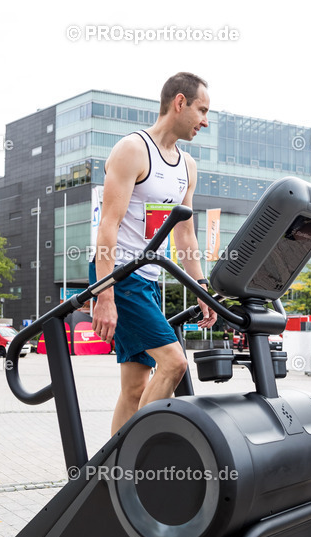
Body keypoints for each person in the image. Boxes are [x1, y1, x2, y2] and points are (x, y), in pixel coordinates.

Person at [91, 72, 217, 434]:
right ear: (180, 102)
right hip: (119, 274)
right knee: (175, 364)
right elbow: (107, 227)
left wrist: (200, 287)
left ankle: (110, 473)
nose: (205, 121)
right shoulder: (133, 149)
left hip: (148, 278)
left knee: (134, 389)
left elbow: (185, 234)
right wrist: (105, 294)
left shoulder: (187, 166)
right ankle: (133, 456)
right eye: (202, 110)